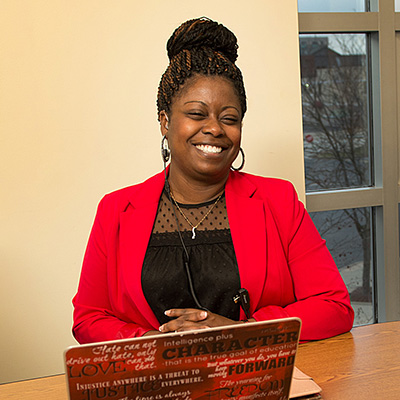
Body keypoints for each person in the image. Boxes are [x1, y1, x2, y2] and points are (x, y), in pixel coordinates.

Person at [72, 17, 354, 344]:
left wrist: (238, 332)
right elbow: (88, 318)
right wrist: (154, 345)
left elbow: (335, 306)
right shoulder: (117, 210)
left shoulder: (279, 200)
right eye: (196, 114)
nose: (215, 129)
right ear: (165, 120)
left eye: (229, 118)